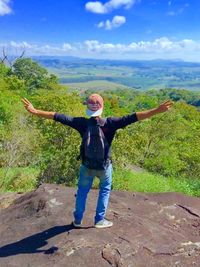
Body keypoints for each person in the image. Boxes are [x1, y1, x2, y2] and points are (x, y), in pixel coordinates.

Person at [22, 94, 173, 229]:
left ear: (87, 108)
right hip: (104, 166)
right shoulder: (111, 123)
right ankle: (99, 220)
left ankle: (78, 220)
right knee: (104, 190)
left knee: (82, 192)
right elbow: (134, 116)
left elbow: (57, 116)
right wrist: (156, 110)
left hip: (86, 166)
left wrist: (35, 111)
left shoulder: (80, 123)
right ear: (102, 108)